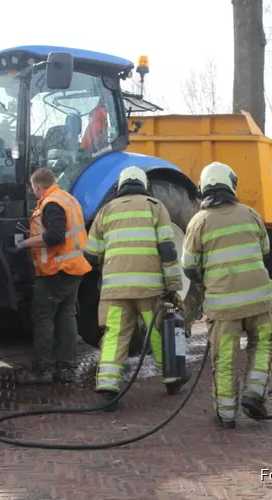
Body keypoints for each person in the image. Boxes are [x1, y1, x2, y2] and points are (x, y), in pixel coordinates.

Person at [83, 166, 190, 410]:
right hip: (148, 289)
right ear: (144, 185)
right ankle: (172, 379)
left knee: (114, 335)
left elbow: (90, 255)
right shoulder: (155, 207)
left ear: (120, 186)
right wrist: (173, 286)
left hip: (114, 291)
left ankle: (108, 389)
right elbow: (167, 250)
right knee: (157, 333)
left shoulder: (105, 211)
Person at [180, 161, 272, 429]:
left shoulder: (198, 222)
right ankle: (254, 394)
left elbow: (189, 267)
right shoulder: (251, 214)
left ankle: (226, 415)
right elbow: (265, 251)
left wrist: (207, 279)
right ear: (231, 185)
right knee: (262, 346)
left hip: (223, 307)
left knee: (224, 358)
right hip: (259, 301)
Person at [14, 167, 92, 384]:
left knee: (43, 318)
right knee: (66, 317)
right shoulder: (68, 199)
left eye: (33, 189)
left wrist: (24, 243)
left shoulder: (51, 204)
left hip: (56, 271)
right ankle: (66, 369)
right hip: (74, 267)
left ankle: (43, 371)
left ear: (37, 187)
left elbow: (55, 235)